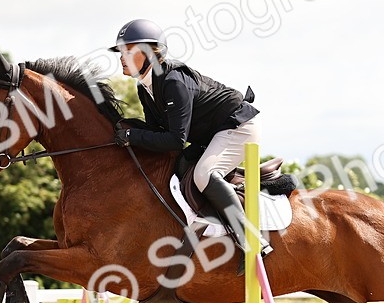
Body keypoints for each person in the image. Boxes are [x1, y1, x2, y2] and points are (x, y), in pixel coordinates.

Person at [109, 18, 271, 263]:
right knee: (179, 168)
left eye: (128, 51)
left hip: (239, 127)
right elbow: (156, 134)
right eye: (121, 52)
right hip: (213, 134)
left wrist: (132, 136)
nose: (122, 57)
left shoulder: (173, 81)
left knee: (203, 174)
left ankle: (251, 239)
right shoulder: (145, 88)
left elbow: (174, 140)